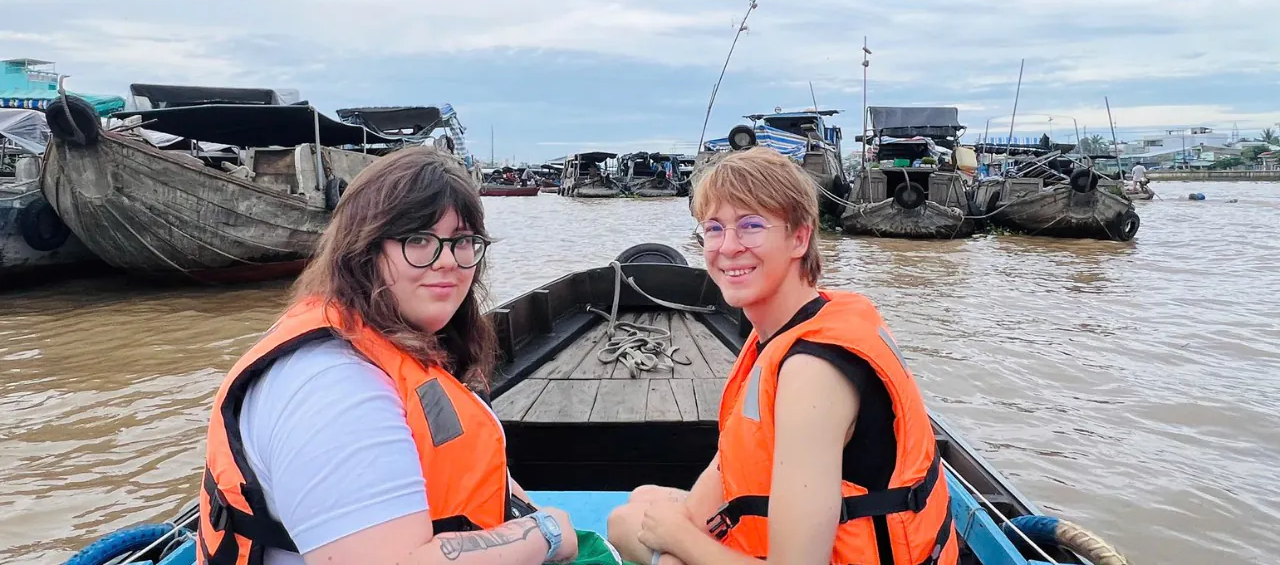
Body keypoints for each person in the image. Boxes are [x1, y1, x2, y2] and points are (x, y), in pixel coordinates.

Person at [197, 147, 578, 565]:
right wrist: (548, 532)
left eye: (463, 242)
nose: (448, 260)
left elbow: (480, 477)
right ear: (364, 250)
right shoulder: (334, 385)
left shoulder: (396, 348)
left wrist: (528, 517)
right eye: (419, 240)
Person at [606, 147, 957, 565]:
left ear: (799, 237)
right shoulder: (792, 325)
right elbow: (732, 458)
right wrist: (685, 519)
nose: (728, 247)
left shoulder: (812, 373)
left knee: (634, 531)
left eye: (751, 226)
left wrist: (682, 539)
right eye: (714, 228)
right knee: (642, 502)